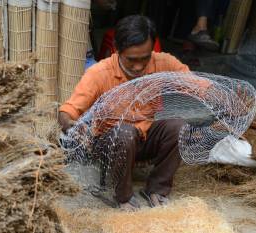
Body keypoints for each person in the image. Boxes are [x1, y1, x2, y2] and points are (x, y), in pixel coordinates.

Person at [58, 15, 189, 210]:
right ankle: (123, 197)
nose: (138, 66)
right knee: (125, 132)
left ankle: (157, 189)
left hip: (143, 137)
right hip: (110, 145)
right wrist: (72, 127)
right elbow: (68, 110)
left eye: (145, 58)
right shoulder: (99, 73)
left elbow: (194, 82)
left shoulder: (163, 63)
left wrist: (215, 92)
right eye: (131, 60)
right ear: (117, 49)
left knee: (179, 126)